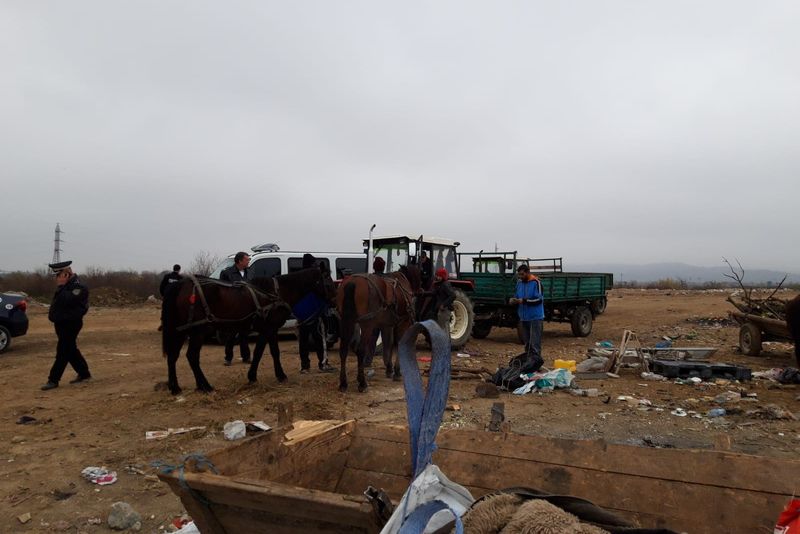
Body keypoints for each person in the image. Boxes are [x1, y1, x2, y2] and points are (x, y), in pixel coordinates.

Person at [41, 261, 91, 390]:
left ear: (66, 274)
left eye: (58, 275)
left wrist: (62, 285)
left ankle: (53, 379)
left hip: (71, 323)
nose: (56, 278)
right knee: (70, 349)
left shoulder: (78, 287)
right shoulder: (66, 286)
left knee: (63, 350)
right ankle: (84, 373)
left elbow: (67, 300)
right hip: (61, 323)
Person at [297, 254, 335, 373]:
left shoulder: (299, 277)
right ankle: (323, 363)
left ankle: (305, 366)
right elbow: (321, 292)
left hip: (302, 315)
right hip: (315, 313)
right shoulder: (315, 276)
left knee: (303, 341)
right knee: (319, 339)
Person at [509, 264, 544, 373]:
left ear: (528, 272)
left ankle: (536, 365)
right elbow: (517, 296)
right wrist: (513, 300)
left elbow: (539, 300)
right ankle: (529, 364)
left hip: (535, 317)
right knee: (527, 343)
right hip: (524, 317)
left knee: (535, 344)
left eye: (522, 274)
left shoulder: (536, 283)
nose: (520, 276)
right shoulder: (519, 283)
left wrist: (524, 301)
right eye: (519, 275)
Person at [220, 252, 251, 365]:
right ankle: (228, 358)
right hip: (233, 310)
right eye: (247, 259)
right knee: (231, 335)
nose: (248, 261)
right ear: (239, 261)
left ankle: (246, 357)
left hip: (246, 309)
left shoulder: (249, 272)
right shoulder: (226, 273)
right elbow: (222, 291)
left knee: (245, 335)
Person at [423, 267, 456, 333]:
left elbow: (453, 295)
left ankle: (445, 340)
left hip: (444, 310)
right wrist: (423, 293)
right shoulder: (440, 284)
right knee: (441, 328)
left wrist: (443, 305)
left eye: (438, 276)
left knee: (444, 329)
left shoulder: (445, 285)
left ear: (442, 276)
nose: (437, 277)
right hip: (440, 310)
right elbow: (434, 293)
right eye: (436, 275)